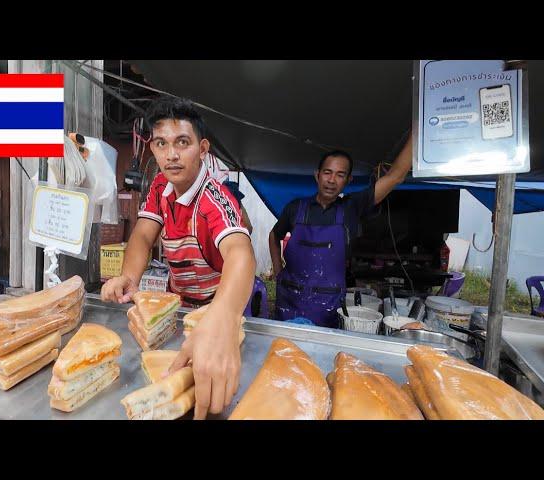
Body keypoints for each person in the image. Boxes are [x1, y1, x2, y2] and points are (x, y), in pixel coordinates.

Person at [101, 97, 256, 419]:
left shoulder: (215, 198)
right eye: (161, 143)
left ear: (202, 148)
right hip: (181, 305)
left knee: (212, 395)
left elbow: (241, 254)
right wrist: (129, 277)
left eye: (182, 143)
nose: (171, 155)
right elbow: (143, 235)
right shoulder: (160, 185)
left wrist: (223, 319)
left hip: (222, 306)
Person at [269, 133, 413, 328]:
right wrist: (278, 270)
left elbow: (396, 176)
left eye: (340, 175)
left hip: (327, 306)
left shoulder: (351, 208)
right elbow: (274, 235)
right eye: (327, 172)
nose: (331, 180)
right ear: (317, 175)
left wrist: (419, 126)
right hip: (289, 300)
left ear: (348, 180)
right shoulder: (296, 208)